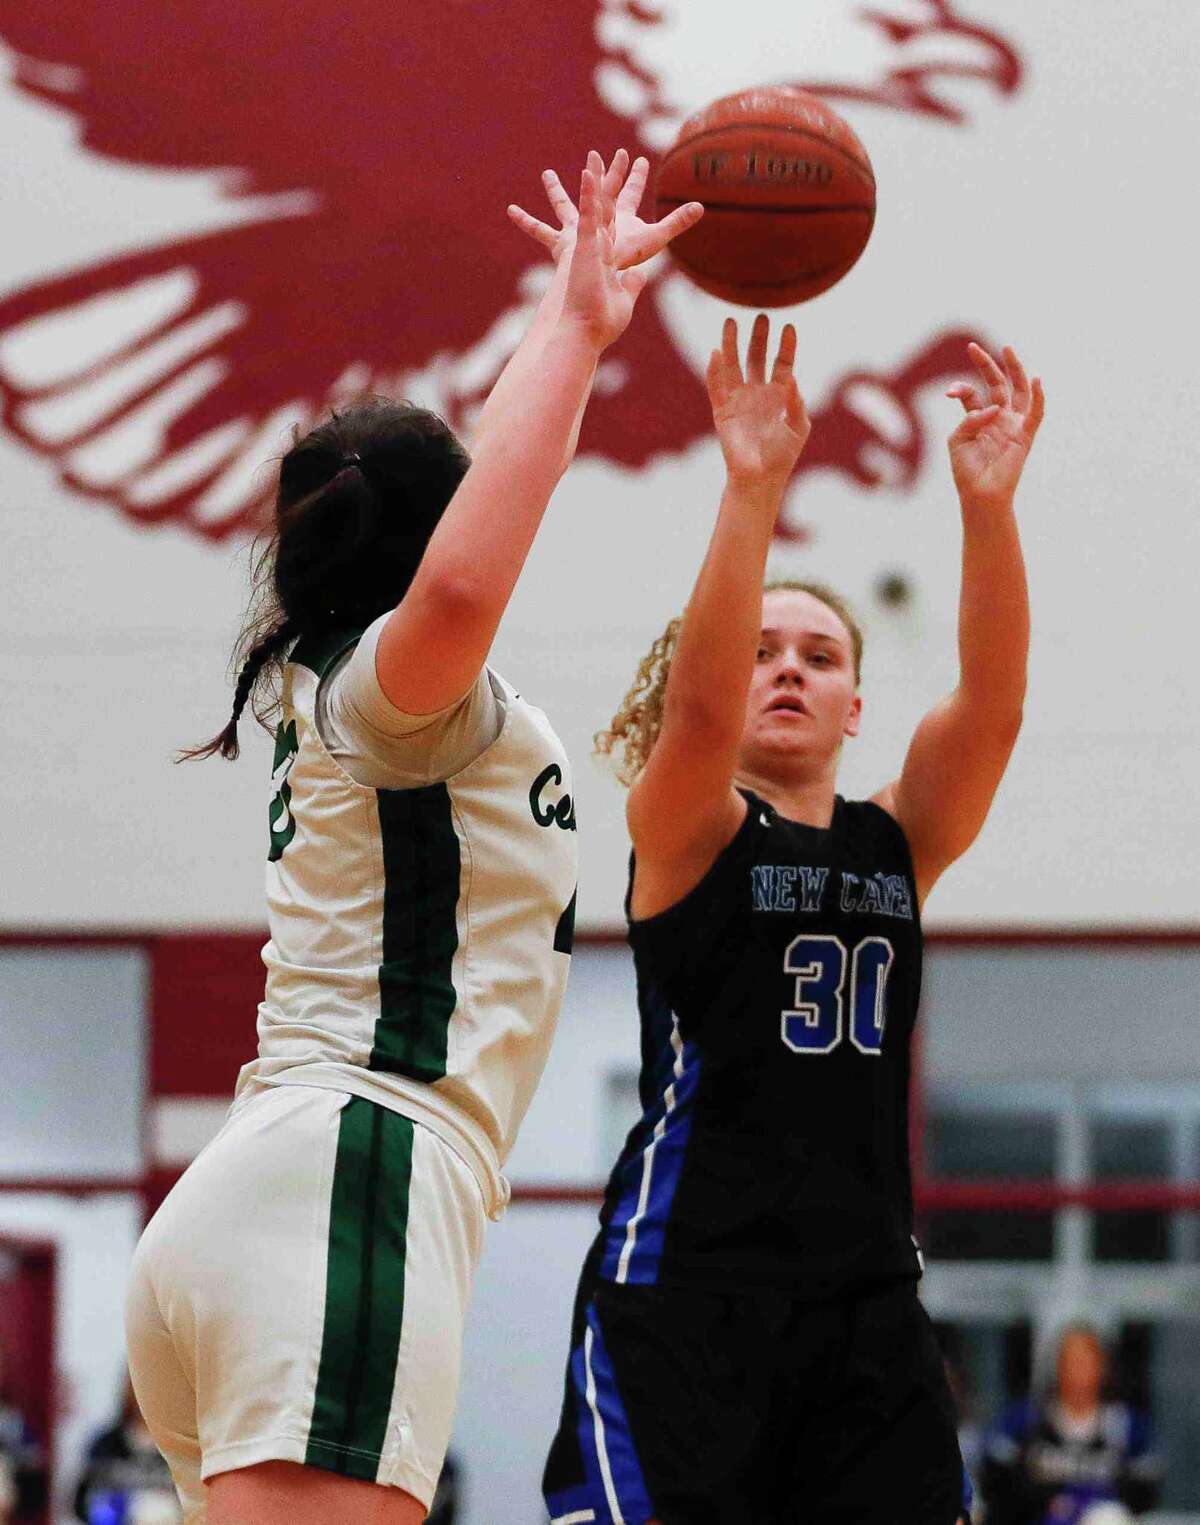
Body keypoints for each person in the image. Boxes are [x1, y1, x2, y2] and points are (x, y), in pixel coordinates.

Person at [124, 150, 701, 1525]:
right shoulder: (401, 698)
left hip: (259, 1203)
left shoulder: (343, 695)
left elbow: (440, 549)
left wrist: (565, 328)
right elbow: (461, 577)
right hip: (350, 1177)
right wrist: (571, 334)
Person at [536, 306, 1044, 1524]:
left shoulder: (897, 839)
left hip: (862, 1309)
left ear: (857, 705)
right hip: (684, 1297)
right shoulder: (690, 824)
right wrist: (751, 489)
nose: (787, 668)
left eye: (818, 654)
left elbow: (995, 706)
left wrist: (986, 509)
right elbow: (701, 721)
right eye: (763, 648)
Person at [981, 1324, 1162, 1525]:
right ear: (1057, 1365)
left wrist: (1087, 1501)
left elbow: (1145, 1492)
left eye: (1087, 1361)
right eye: (1071, 1361)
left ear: (1103, 1368)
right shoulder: (1025, 1420)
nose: (1078, 1370)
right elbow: (996, 1485)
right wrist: (1047, 1501)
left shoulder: (1126, 1427)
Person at [73, 1376, 178, 1522]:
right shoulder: (106, 1446)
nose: (146, 1395)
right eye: (137, 1385)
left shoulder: (182, 1449)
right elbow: (81, 1503)